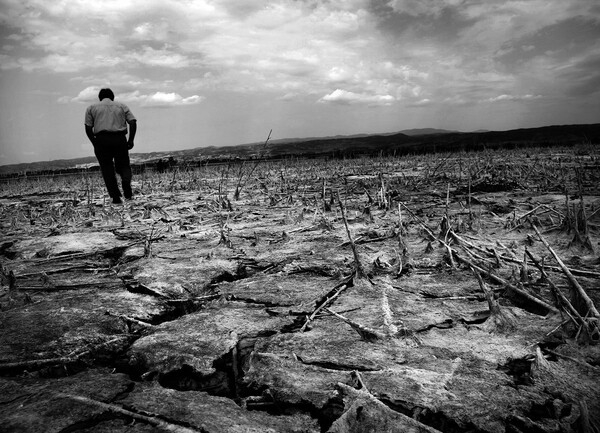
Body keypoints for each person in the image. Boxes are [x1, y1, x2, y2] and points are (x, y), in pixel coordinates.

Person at [85, 88, 137, 204]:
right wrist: (131, 140)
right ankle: (126, 181)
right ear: (112, 97)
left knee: (107, 169)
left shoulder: (92, 108)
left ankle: (116, 197)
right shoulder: (121, 106)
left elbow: (88, 128)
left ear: (100, 98)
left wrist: (95, 143)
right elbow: (132, 122)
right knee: (124, 165)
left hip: (102, 139)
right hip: (119, 139)